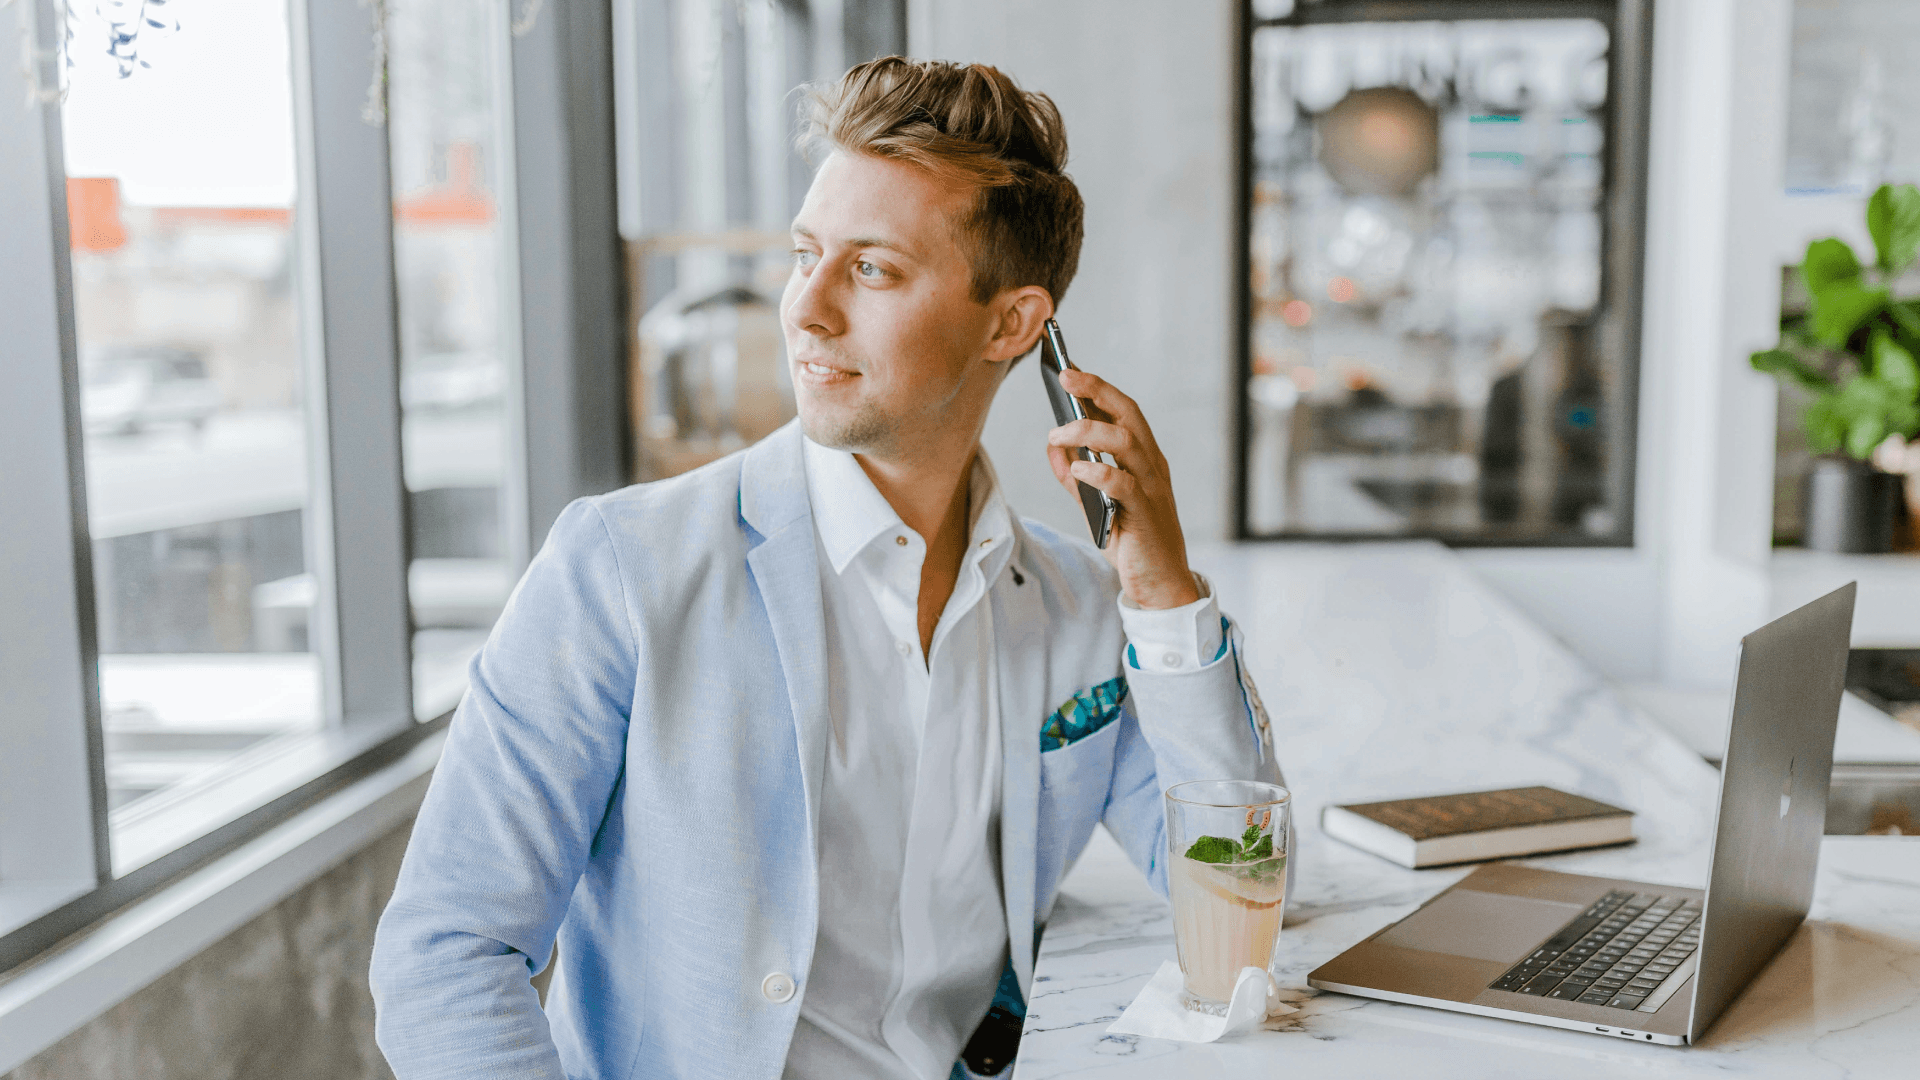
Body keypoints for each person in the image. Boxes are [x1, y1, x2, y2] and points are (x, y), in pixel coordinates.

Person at [369, 57, 1283, 1080]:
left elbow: (1237, 896)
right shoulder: (620, 571)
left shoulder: (1077, 607)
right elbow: (445, 957)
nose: (805, 308)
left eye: (873, 268)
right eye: (806, 254)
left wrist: (1162, 591)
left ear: (1014, 324)